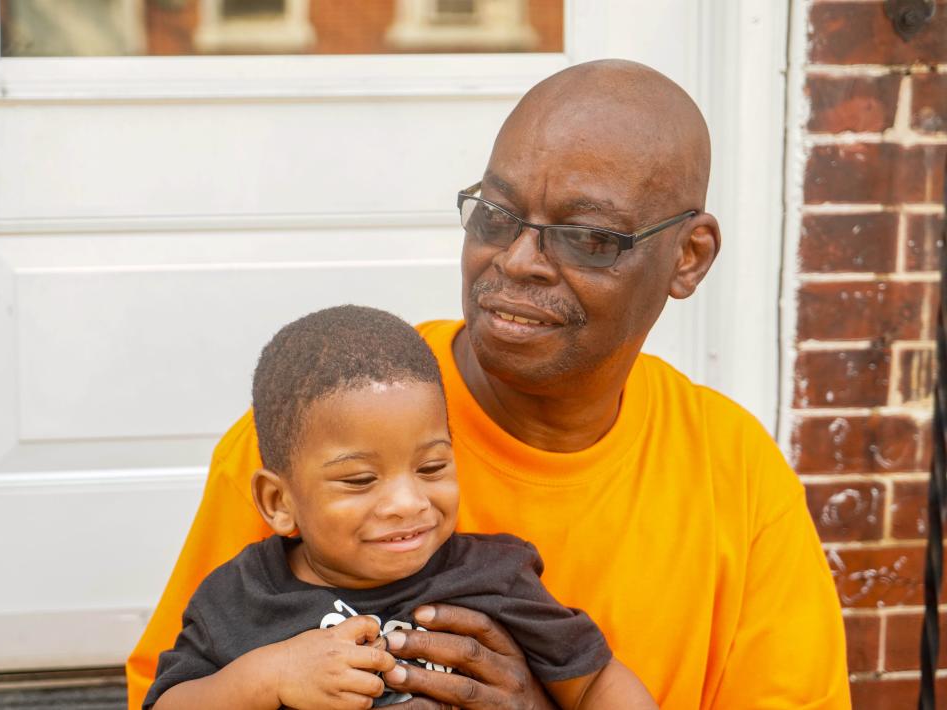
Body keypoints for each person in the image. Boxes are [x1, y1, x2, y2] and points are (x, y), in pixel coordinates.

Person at [128, 59, 851, 710]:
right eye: (497, 216)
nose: (519, 260)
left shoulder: (735, 474)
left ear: (688, 258)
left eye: (588, 236)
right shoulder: (321, 429)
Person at [144, 306, 658, 710]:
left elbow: (594, 686)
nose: (408, 503)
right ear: (279, 502)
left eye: (432, 468)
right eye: (360, 479)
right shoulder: (241, 597)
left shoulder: (494, 576)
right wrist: (269, 677)